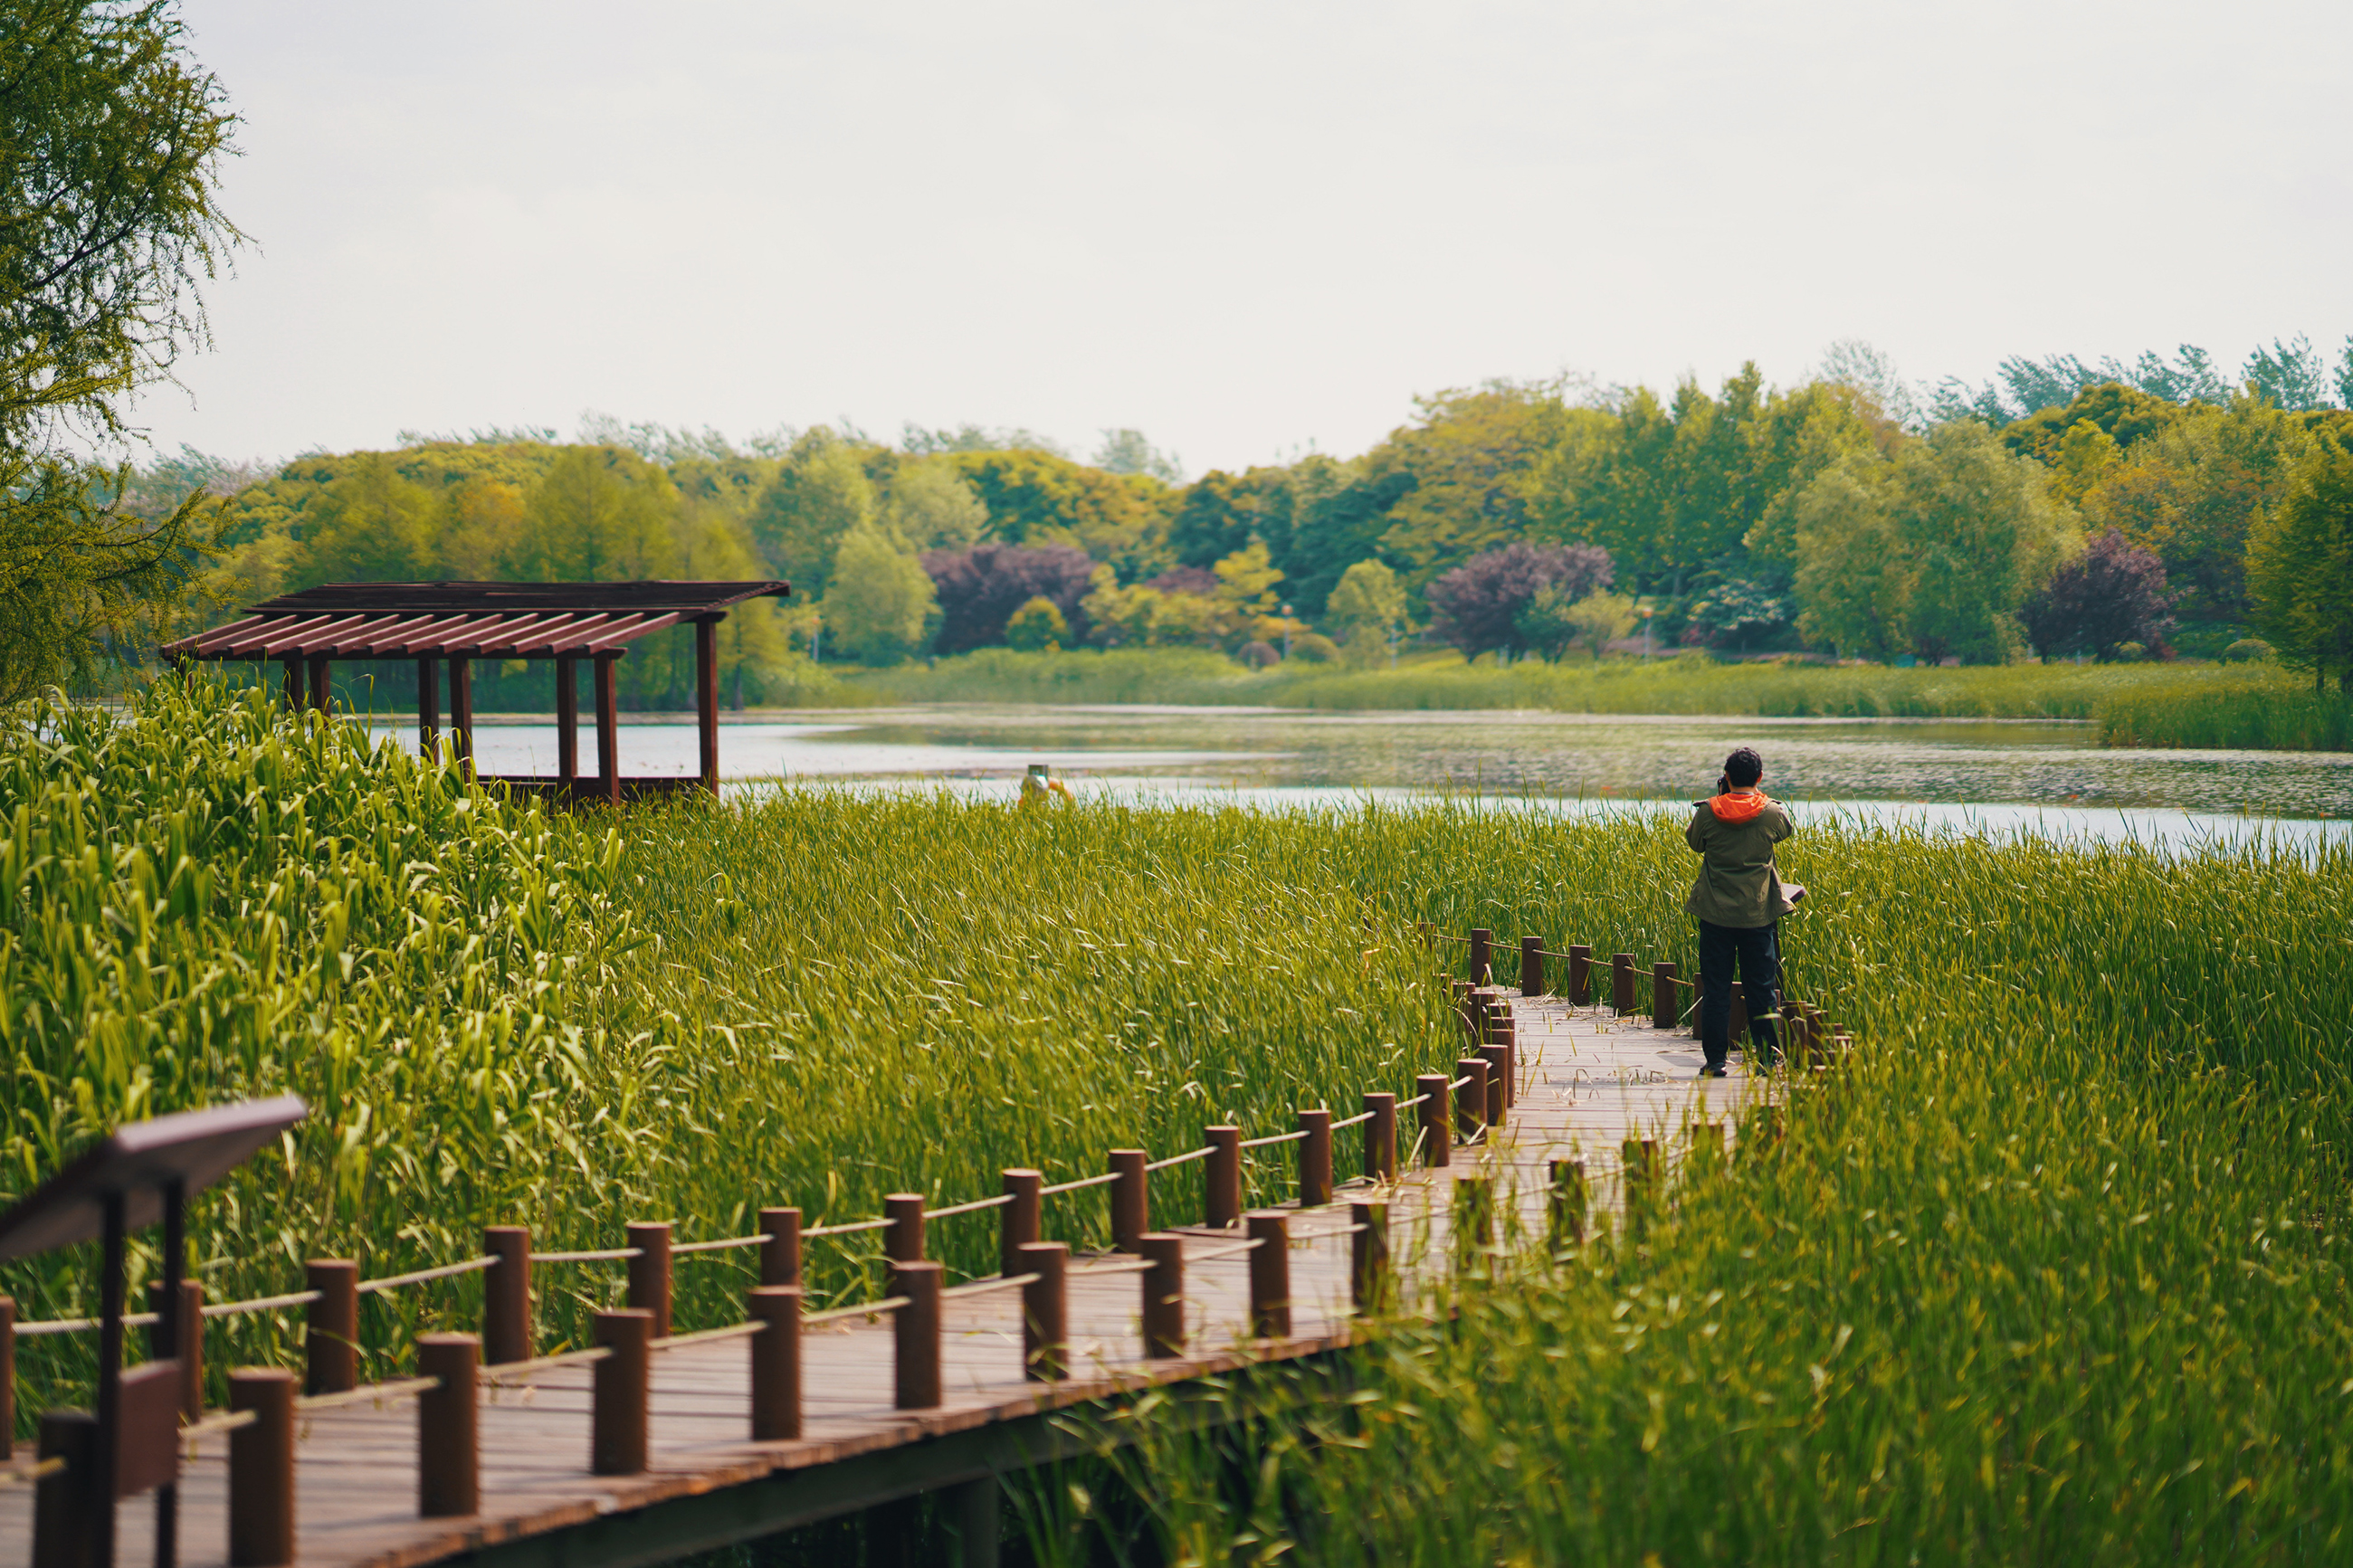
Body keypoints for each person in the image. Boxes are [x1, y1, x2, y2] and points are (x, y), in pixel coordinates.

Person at [1684, 746, 1801, 1078]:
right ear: (1760, 777)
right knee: (1761, 988)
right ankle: (1767, 1060)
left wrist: (1721, 798)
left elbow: (1695, 843)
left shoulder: (1708, 812)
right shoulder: (1771, 813)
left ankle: (1716, 1061)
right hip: (1757, 915)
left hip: (1716, 914)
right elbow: (1785, 832)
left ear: (1726, 777)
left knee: (1717, 987)